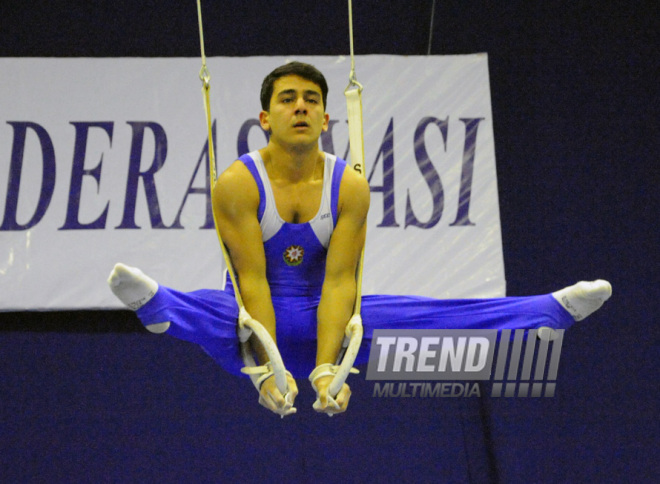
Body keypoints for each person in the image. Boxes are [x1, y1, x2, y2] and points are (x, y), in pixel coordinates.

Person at [108, 62, 612, 417]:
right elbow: (252, 282)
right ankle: (158, 308)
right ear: (265, 119)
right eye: (288, 99)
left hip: (329, 314)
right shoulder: (237, 184)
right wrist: (267, 372)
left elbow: (340, 280)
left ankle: (548, 310)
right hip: (251, 326)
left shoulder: (348, 185)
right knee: (217, 312)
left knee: (429, 316)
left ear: (326, 119)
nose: (300, 107)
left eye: (311, 100)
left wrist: (328, 370)